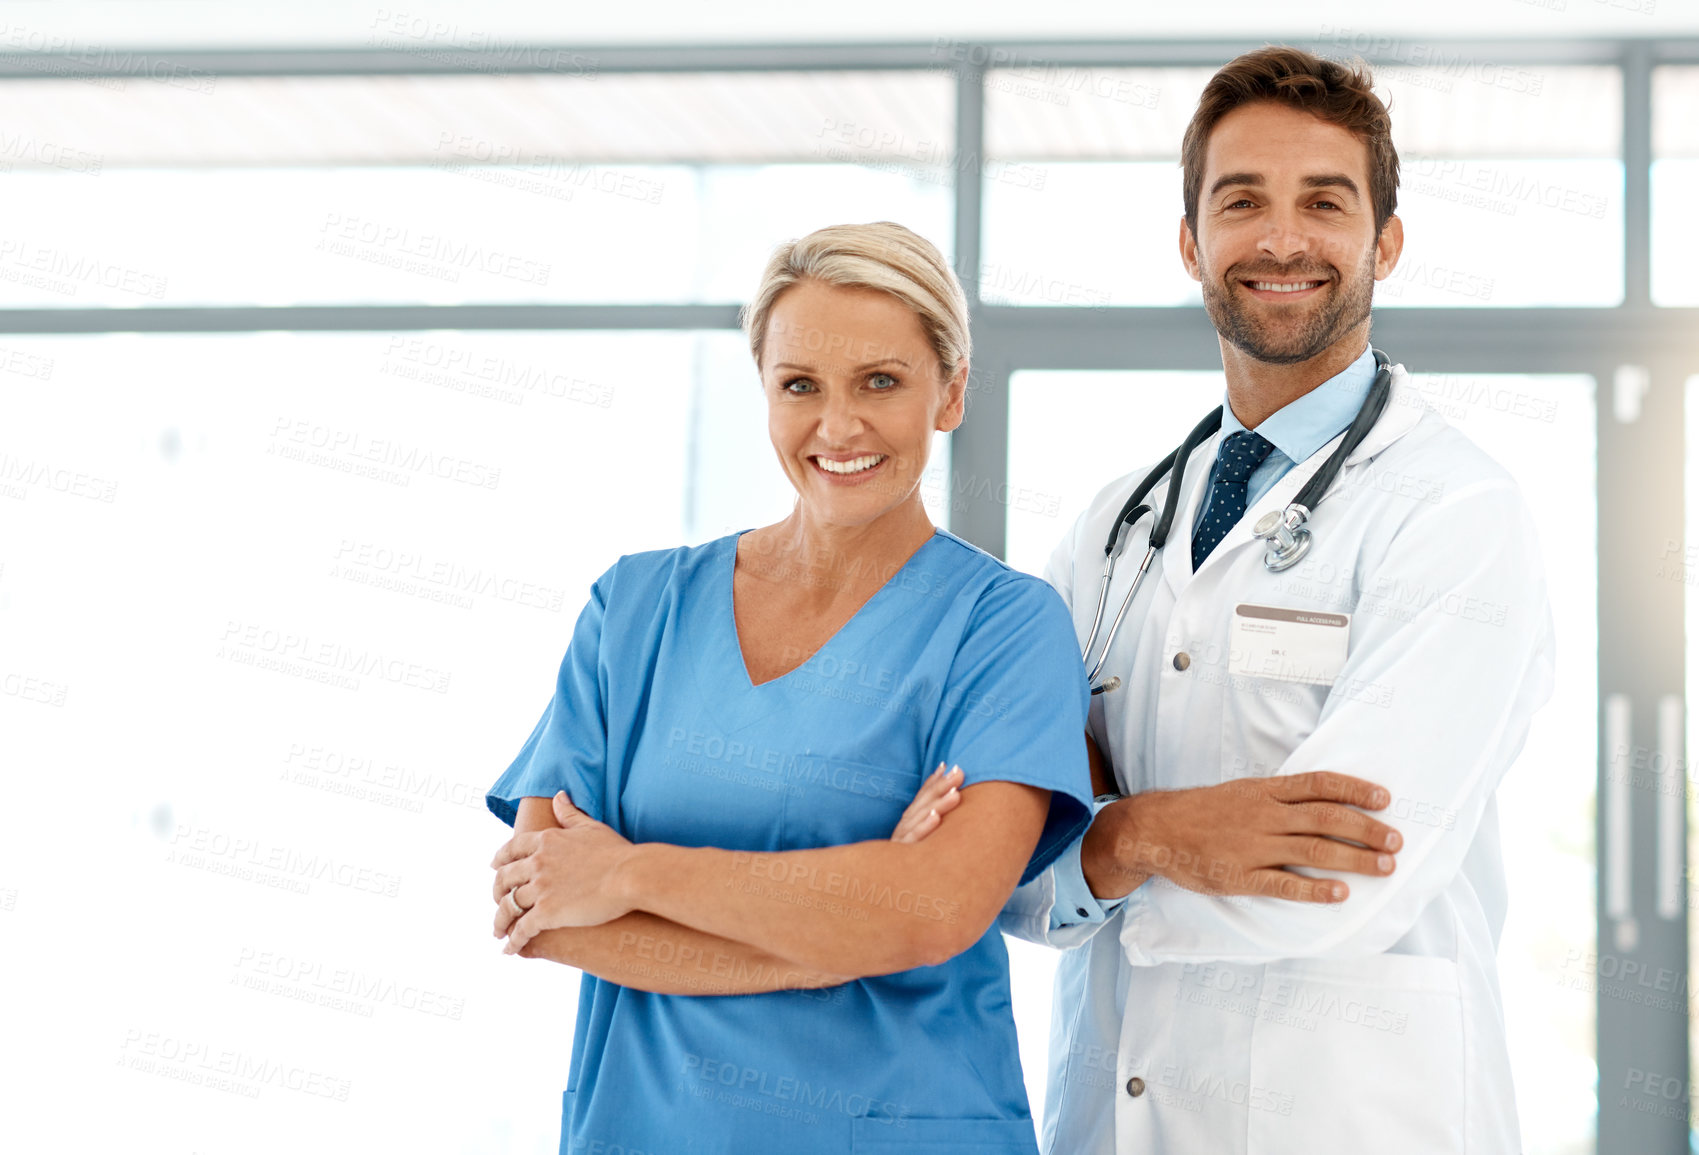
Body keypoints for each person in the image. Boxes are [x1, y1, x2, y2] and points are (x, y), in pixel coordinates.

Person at [991, 47, 1557, 1155]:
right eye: (1241, 200)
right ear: (1192, 242)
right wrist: (1142, 837)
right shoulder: (1111, 528)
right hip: (1111, 1115)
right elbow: (1000, 861)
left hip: (1352, 1114)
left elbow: (1346, 865)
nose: (1282, 240)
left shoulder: (1454, 515)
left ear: (1384, 242)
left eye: (1324, 203)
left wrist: (1102, 846)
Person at [482, 221, 1098, 1155]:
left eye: (880, 382)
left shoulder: (1004, 627)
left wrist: (631, 873)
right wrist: (845, 931)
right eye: (799, 384)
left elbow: (934, 911)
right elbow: (542, 916)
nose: (838, 426)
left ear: (952, 391)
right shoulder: (636, 608)